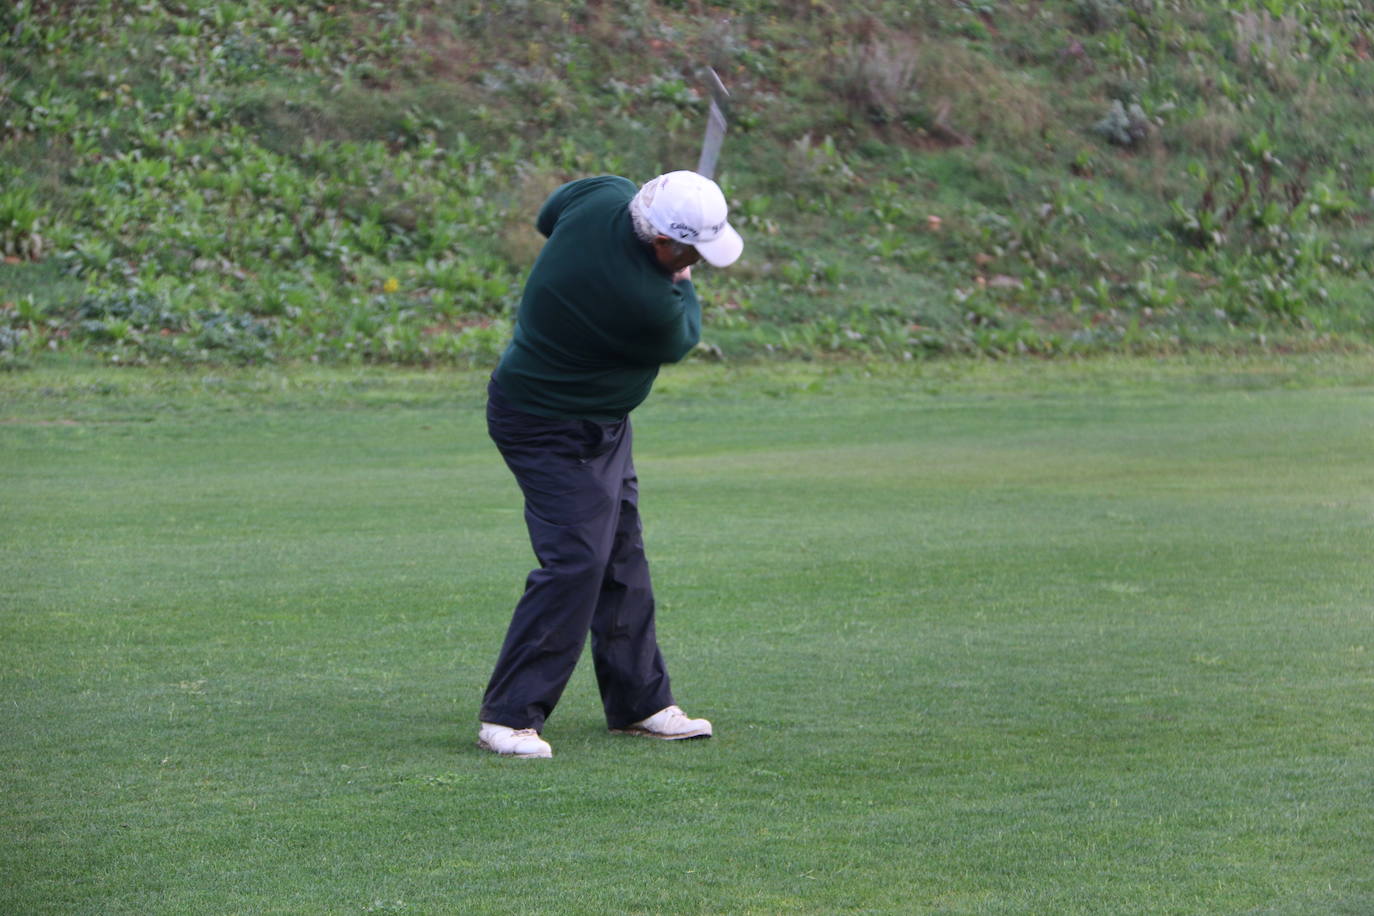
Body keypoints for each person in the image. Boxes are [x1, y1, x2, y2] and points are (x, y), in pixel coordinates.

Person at [476, 170, 744, 758]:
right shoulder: (648, 303)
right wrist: (682, 278)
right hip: (544, 423)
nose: (696, 259)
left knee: (622, 556)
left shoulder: (602, 195)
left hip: (599, 420)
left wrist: (677, 254)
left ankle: (639, 702)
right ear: (662, 244)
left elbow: (551, 214)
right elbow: (682, 333)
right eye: (690, 250)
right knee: (578, 561)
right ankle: (509, 714)